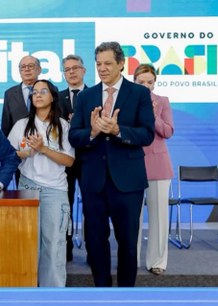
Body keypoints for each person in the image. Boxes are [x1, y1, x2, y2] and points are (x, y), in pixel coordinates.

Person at [69, 41, 154, 287]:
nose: (102, 69)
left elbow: (147, 134)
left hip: (128, 182)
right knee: (95, 242)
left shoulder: (138, 94)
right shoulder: (85, 96)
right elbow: (75, 136)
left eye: (107, 63)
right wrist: (93, 132)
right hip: (94, 182)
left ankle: (126, 295)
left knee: (128, 243)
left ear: (121, 64)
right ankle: (102, 293)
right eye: (98, 64)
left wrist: (118, 130)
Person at [8, 80, 74, 287]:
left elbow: (70, 161)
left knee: (54, 243)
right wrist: (27, 152)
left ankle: (53, 294)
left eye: (43, 91)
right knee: (27, 243)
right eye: (34, 92)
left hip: (55, 190)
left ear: (52, 96)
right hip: (28, 187)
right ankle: (27, 289)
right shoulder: (21, 125)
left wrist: (44, 149)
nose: (37, 95)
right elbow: (9, 155)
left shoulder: (63, 126)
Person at [133, 63, 174, 276]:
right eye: (141, 82)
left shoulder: (163, 102)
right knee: (133, 217)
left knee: (159, 216)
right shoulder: (127, 101)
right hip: (132, 164)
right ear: (134, 82)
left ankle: (157, 261)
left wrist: (153, 115)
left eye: (150, 82)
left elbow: (167, 131)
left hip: (159, 165)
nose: (146, 86)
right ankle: (132, 260)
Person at [59, 55, 88, 263]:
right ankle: (65, 250)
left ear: (84, 70)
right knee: (65, 207)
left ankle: (92, 250)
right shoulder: (57, 98)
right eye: (67, 69)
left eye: (75, 68)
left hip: (90, 159)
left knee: (92, 207)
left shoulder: (96, 95)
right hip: (64, 161)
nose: (71, 72)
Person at [1, 56, 42, 137]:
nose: (27, 69)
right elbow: (6, 126)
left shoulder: (50, 90)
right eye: (23, 67)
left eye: (30, 66)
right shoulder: (10, 94)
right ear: (19, 71)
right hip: (18, 144)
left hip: (45, 142)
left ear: (39, 69)